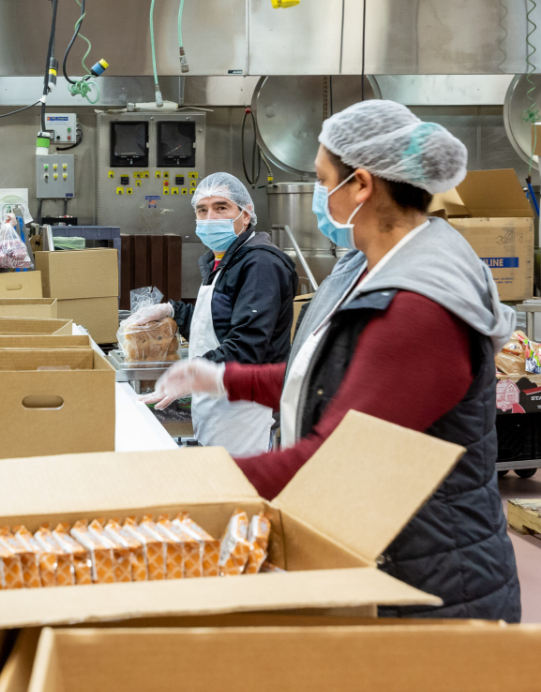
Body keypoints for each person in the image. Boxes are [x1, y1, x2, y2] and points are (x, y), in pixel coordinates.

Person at [144, 101, 521, 622]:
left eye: (323, 180)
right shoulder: (370, 265)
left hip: (429, 584)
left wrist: (191, 482)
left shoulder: (419, 306)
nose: (321, 196)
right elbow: (333, 378)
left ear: (361, 185)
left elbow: (335, 459)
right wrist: (225, 377)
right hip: (392, 554)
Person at [130, 172, 297, 456]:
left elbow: (247, 345)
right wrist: (173, 311)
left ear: (246, 215)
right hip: (217, 401)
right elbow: (217, 322)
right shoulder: (222, 260)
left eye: (221, 208)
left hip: (246, 408)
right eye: (202, 210)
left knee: (240, 490)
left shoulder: (260, 264)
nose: (210, 218)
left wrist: (192, 373)